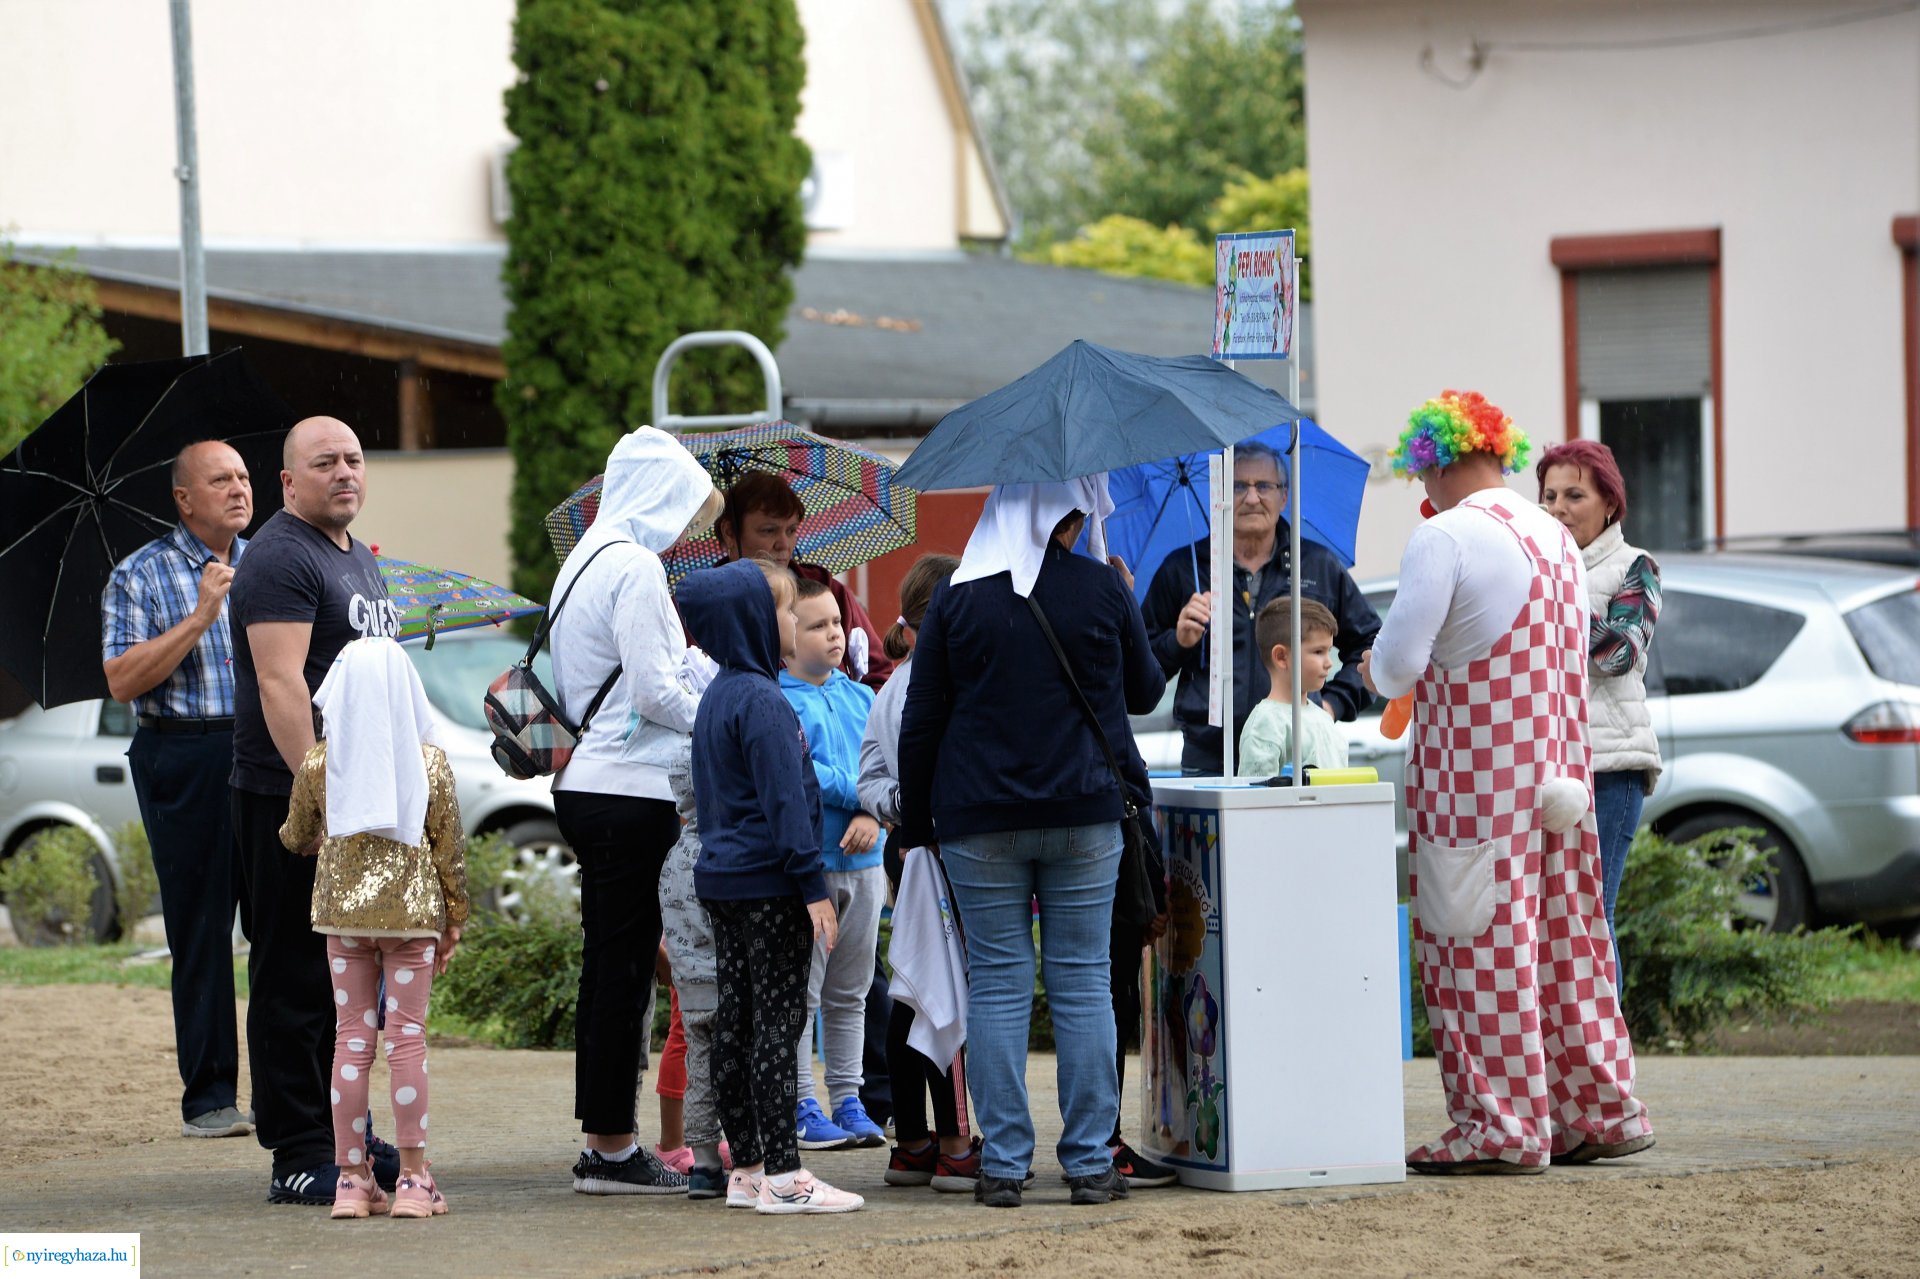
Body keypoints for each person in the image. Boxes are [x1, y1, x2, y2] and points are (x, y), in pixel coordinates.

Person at [1357, 390, 1652, 1174]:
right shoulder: (1553, 535)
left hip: (1476, 783)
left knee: (1477, 947)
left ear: (1436, 462)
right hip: (1558, 775)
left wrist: (1371, 665)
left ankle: (1501, 1124)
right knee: (1567, 941)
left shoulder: (1445, 534)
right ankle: (1596, 1108)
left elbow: (1398, 666)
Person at [897, 477, 1166, 1209]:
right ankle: (1089, 1162)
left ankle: (1006, 1164)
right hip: (1084, 812)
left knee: (998, 981)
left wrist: (916, 828)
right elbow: (1145, 693)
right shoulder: (1101, 587)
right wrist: (1124, 599)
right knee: (1082, 980)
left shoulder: (956, 596)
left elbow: (922, 718)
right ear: (1067, 520)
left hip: (977, 816)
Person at [230, 416, 401, 1206]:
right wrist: (319, 798)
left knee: (347, 976)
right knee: (293, 975)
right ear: (288, 480)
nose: (344, 471)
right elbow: (280, 682)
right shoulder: (279, 556)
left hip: (359, 797)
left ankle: (345, 1133)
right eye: (325, 461)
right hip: (290, 797)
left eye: (354, 459)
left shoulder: (357, 557)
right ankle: (298, 1150)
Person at [549, 426, 721, 1196]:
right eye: (683, 508)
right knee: (623, 973)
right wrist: (720, 714)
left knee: (608, 968)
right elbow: (654, 692)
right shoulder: (637, 566)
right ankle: (611, 1149)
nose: (684, 531)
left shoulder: (583, 558)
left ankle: (605, 1138)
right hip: (631, 786)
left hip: (585, 781)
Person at [679, 557, 864, 1215]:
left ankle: (749, 1169)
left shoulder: (720, 693)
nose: (792, 617)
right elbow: (785, 799)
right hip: (770, 882)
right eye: (784, 608)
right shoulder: (762, 698)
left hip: (725, 879)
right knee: (778, 1026)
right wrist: (811, 885)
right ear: (752, 619)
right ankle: (786, 1175)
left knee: (737, 1021)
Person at [277, 637, 468, 1220]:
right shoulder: (429, 762)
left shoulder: (320, 763)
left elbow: (294, 835)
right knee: (406, 1037)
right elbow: (449, 849)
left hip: (342, 919)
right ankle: (413, 1180)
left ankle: (352, 1181)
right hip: (412, 919)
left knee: (351, 1039)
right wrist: (455, 917)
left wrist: (315, 834)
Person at [100, 440, 255, 1141]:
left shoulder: (271, 563)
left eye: (244, 475)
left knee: (279, 924)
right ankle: (210, 1096)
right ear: (184, 499)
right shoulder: (139, 574)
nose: (239, 487)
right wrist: (199, 615)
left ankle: (286, 1092)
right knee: (201, 927)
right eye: (221, 479)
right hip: (183, 752)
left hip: (261, 747)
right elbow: (122, 680)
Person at [855, 552, 981, 1193]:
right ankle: (954, 1144)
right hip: (940, 851)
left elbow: (870, 779)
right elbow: (881, 777)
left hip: (910, 845)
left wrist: (902, 808)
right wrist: (918, 810)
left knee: (911, 987)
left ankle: (912, 1141)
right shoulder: (937, 683)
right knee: (940, 991)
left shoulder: (894, 686)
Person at [1140, 439, 1380, 774]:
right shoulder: (1183, 568)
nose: (1252, 498)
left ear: (1284, 496)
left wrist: (1333, 704)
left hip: (1295, 757)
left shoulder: (1316, 565)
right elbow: (1140, 675)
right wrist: (1178, 642)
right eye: (1239, 486)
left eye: (1264, 486)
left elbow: (1371, 644)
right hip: (1209, 762)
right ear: (1220, 495)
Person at [1538, 440, 1662, 938]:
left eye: (1574, 495)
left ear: (1609, 502)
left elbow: (1619, 654)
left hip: (1610, 768)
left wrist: (1562, 591)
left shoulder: (1637, 566)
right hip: (1547, 766)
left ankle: (1608, 1000)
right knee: (1551, 926)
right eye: (1549, 497)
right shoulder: (1534, 567)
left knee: (1592, 920)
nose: (1558, 509)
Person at [779, 578, 887, 1149]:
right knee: (804, 991)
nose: (835, 634)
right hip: (813, 866)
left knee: (852, 990)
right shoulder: (779, 701)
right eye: (817, 625)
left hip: (866, 865)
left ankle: (848, 1098)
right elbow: (804, 773)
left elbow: (889, 766)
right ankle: (801, 1103)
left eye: (837, 623)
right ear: (786, 635)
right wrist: (864, 796)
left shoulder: (863, 697)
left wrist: (875, 814)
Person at [715, 472, 894, 690]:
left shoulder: (829, 591)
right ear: (729, 532)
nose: (784, 544)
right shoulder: (704, 605)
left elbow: (881, 678)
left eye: (791, 530)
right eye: (769, 531)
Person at [1237, 596, 1350, 778]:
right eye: (1318, 651)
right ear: (1281, 657)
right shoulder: (1265, 724)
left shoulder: (1324, 718)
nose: (1329, 662)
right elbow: (1256, 794)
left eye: (1329, 651)